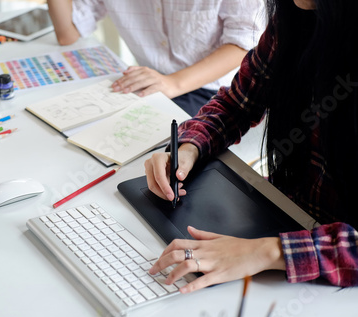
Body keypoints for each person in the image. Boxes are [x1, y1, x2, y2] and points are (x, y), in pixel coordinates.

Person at [145, 0, 358, 292]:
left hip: (332, 267)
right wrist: (189, 148)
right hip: (284, 213)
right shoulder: (295, 18)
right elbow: (237, 104)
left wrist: (268, 252)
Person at [47, 0, 265, 116]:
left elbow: (244, 44)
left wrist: (172, 82)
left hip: (219, 89)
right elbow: (68, 32)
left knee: (145, 153)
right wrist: (165, 83)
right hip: (153, 82)